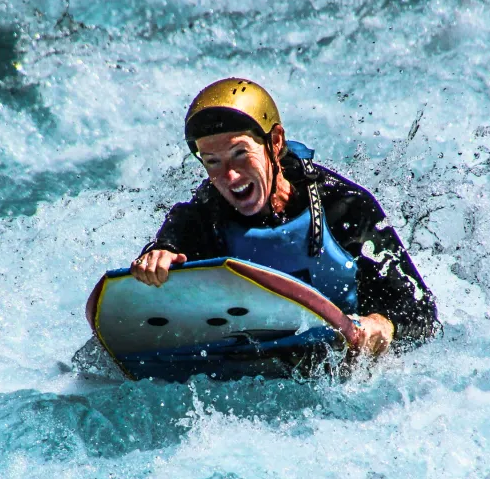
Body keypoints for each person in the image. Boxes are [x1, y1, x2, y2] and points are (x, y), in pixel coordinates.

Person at [130, 78, 438, 356]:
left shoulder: (345, 208)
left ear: (275, 142)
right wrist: (158, 255)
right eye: (212, 161)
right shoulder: (206, 215)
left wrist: (382, 324)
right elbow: (176, 233)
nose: (230, 175)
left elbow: (422, 314)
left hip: (340, 370)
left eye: (240, 153)